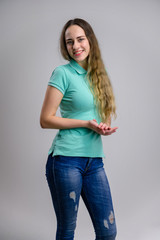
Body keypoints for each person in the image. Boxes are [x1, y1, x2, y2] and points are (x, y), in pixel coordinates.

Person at [40, 18, 118, 240]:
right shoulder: (62, 73)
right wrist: (85, 124)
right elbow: (45, 119)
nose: (75, 46)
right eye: (69, 42)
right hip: (65, 160)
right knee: (67, 230)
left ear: (90, 41)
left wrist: (102, 127)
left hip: (94, 161)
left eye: (80, 39)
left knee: (108, 231)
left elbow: (102, 117)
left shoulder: (99, 77)